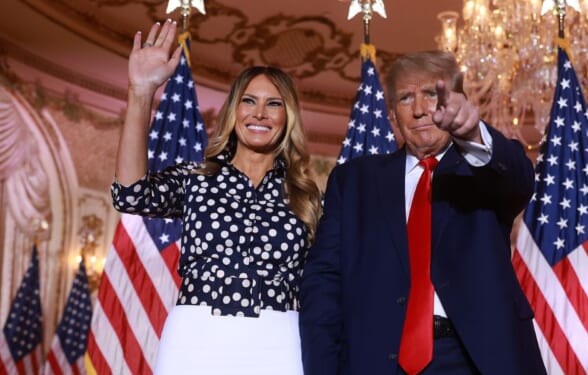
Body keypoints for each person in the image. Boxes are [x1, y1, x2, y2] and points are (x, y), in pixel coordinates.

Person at [299, 50, 546, 375]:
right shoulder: (354, 181)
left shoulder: (483, 168)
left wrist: (473, 135)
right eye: (405, 98)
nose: (419, 110)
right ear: (391, 114)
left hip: (475, 359)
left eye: (431, 95)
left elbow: (518, 179)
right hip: (378, 359)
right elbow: (324, 283)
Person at [112, 20, 321, 374]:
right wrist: (141, 91)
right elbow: (130, 195)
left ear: (288, 117)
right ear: (233, 111)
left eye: (274, 104)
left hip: (279, 338)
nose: (259, 113)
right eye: (249, 101)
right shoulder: (197, 179)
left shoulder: (306, 195)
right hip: (197, 336)